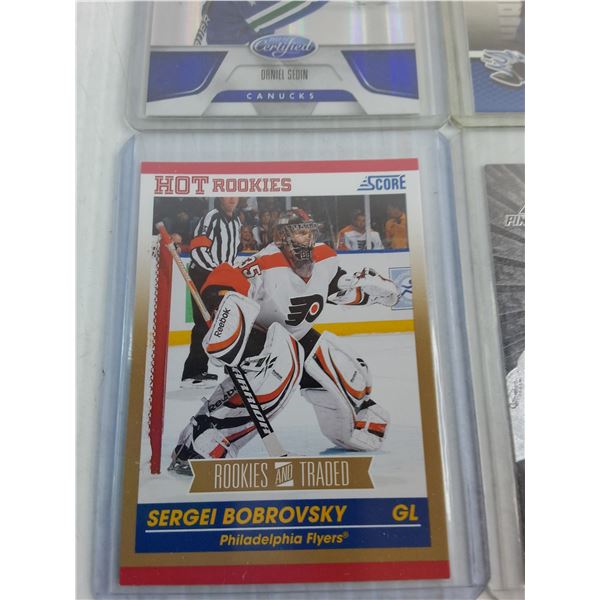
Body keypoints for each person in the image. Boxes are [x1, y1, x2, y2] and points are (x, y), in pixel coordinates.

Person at [169, 208, 399, 472]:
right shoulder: (266, 263)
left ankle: (353, 425)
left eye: (309, 232)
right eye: (300, 233)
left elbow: (336, 288)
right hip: (261, 337)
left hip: (299, 333)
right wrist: (221, 311)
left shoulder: (323, 257)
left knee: (343, 367)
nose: (307, 238)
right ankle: (200, 444)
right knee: (275, 373)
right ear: (281, 237)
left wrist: (369, 292)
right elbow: (226, 281)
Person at [181, 197, 242, 387]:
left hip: (223, 277)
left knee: (228, 321)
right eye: (227, 195)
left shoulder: (237, 221)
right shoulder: (212, 217)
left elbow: (231, 253)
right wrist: (218, 271)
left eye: (235, 195)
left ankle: (231, 369)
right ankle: (193, 373)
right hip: (204, 275)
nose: (232, 198)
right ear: (220, 198)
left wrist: (229, 273)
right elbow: (198, 250)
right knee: (204, 322)